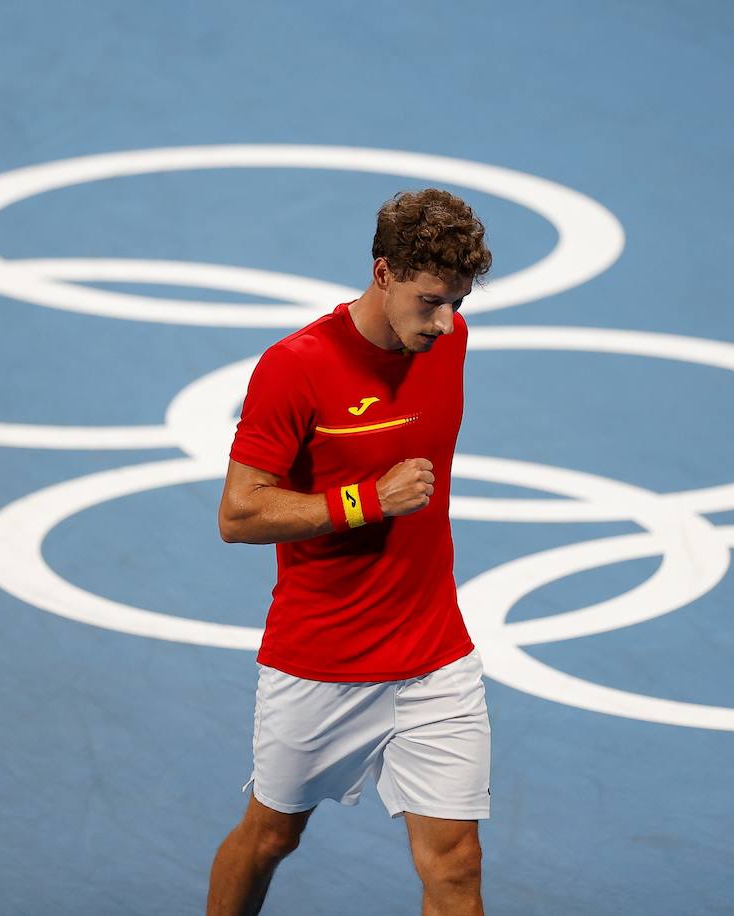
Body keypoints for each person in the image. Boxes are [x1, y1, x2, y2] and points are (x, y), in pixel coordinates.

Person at [205, 188, 494, 916]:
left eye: (458, 302)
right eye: (431, 300)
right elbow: (238, 514)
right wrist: (366, 500)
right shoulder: (295, 366)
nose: (446, 321)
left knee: (456, 864)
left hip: (434, 654)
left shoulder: (449, 341)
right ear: (383, 272)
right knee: (270, 838)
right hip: (321, 659)